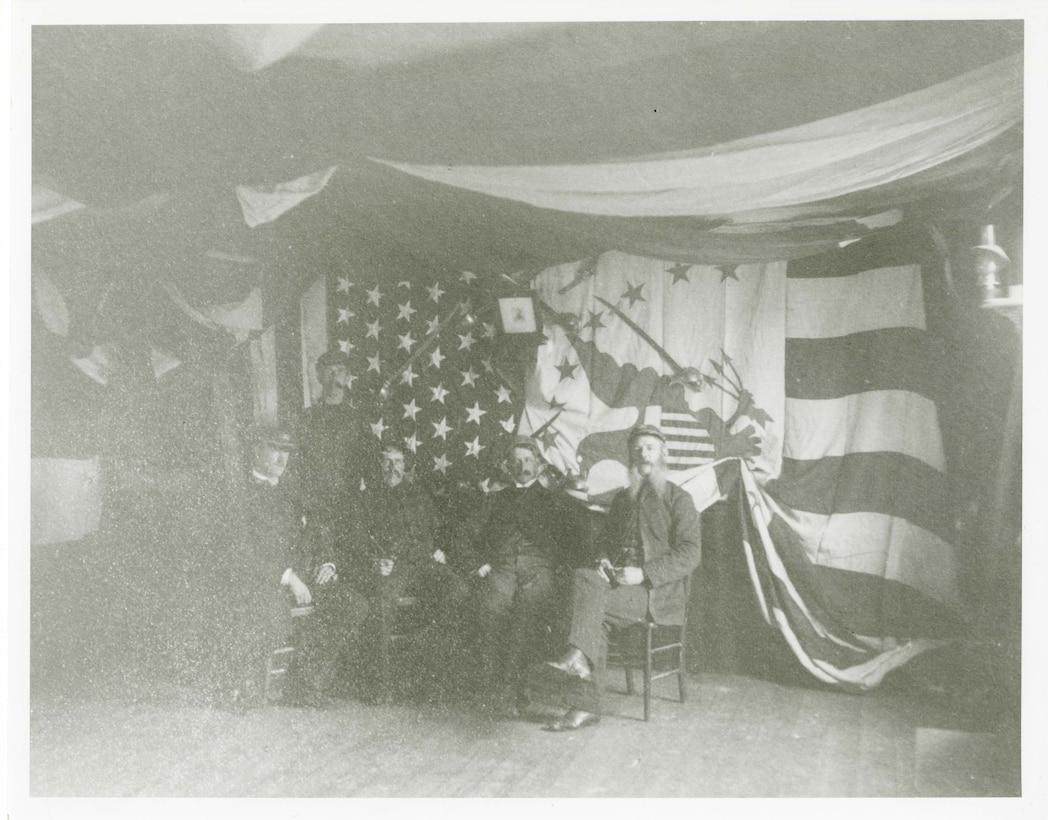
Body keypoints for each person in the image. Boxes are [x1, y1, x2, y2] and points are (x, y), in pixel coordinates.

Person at [541, 424, 702, 731]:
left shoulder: (679, 499)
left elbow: (691, 553)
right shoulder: (623, 500)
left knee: (592, 608)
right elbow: (606, 543)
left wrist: (643, 573)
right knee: (586, 579)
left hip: (656, 594)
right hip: (617, 587)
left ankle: (579, 678)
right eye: (638, 448)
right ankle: (578, 667)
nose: (644, 454)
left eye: (650, 448)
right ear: (630, 455)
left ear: (664, 454)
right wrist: (603, 559)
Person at [337, 444, 467, 700]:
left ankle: (432, 678)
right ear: (378, 466)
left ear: (406, 467)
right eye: (386, 462)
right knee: (382, 602)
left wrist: (441, 549)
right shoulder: (365, 499)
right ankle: (380, 684)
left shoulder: (420, 495)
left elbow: (441, 529)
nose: (392, 468)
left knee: (457, 590)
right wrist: (373, 561)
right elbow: (356, 540)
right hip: (393, 567)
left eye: (397, 462)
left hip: (424, 564)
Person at [466, 436, 583, 714]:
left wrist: (559, 567)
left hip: (539, 569)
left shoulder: (554, 500)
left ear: (539, 465)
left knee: (528, 610)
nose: (523, 465)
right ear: (508, 466)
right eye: (517, 460)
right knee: (490, 606)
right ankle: (492, 686)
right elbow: (465, 535)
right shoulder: (494, 499)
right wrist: (477, 562)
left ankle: (519, 687)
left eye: (529, 459)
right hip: (503, 567)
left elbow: (573, 540)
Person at [218, 427, 317, 709]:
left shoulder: (291, 489)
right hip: (261, 579)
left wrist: (327, 564)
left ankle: (304, 688)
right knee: (273, 617)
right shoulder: (241, 493)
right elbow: (243, 553)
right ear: (256, 450)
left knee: (348, 603)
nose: (281, 458)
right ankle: (240, 687)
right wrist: (288, 577)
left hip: (301, 576)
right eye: (274, 449)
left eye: (286, 451)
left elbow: (313, 529)